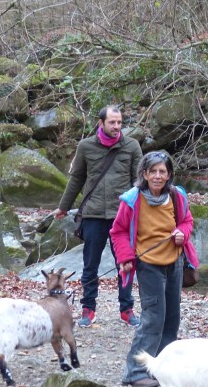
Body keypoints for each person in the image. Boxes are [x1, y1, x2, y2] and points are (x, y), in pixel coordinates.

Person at [109, 151, 199, 387]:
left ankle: (162, 367)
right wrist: (125, 257)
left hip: (175, 263)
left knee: (171, 318)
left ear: (169, 175)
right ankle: (135, 372)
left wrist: (182, 233)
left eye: (162, 171)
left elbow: (187, 221)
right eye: (153, 172)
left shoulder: (176, 196)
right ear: (145, 174)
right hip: (148, 265)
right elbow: (118, 232)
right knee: (153, 318)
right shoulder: (132, 200)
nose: (158, 176)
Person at [55, 105, 143, 328]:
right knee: (90, 264)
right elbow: (77, 178)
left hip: (121, 215)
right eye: (112, 122)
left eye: (119, 122)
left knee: (125, 262)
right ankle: (88, 309)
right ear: (101, 123)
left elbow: (139, 182)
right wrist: (63, 207)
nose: (116, 126)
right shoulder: (86, 146)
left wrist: (142, 211)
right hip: (93, 214)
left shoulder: (132, 146)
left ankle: (127, 309)